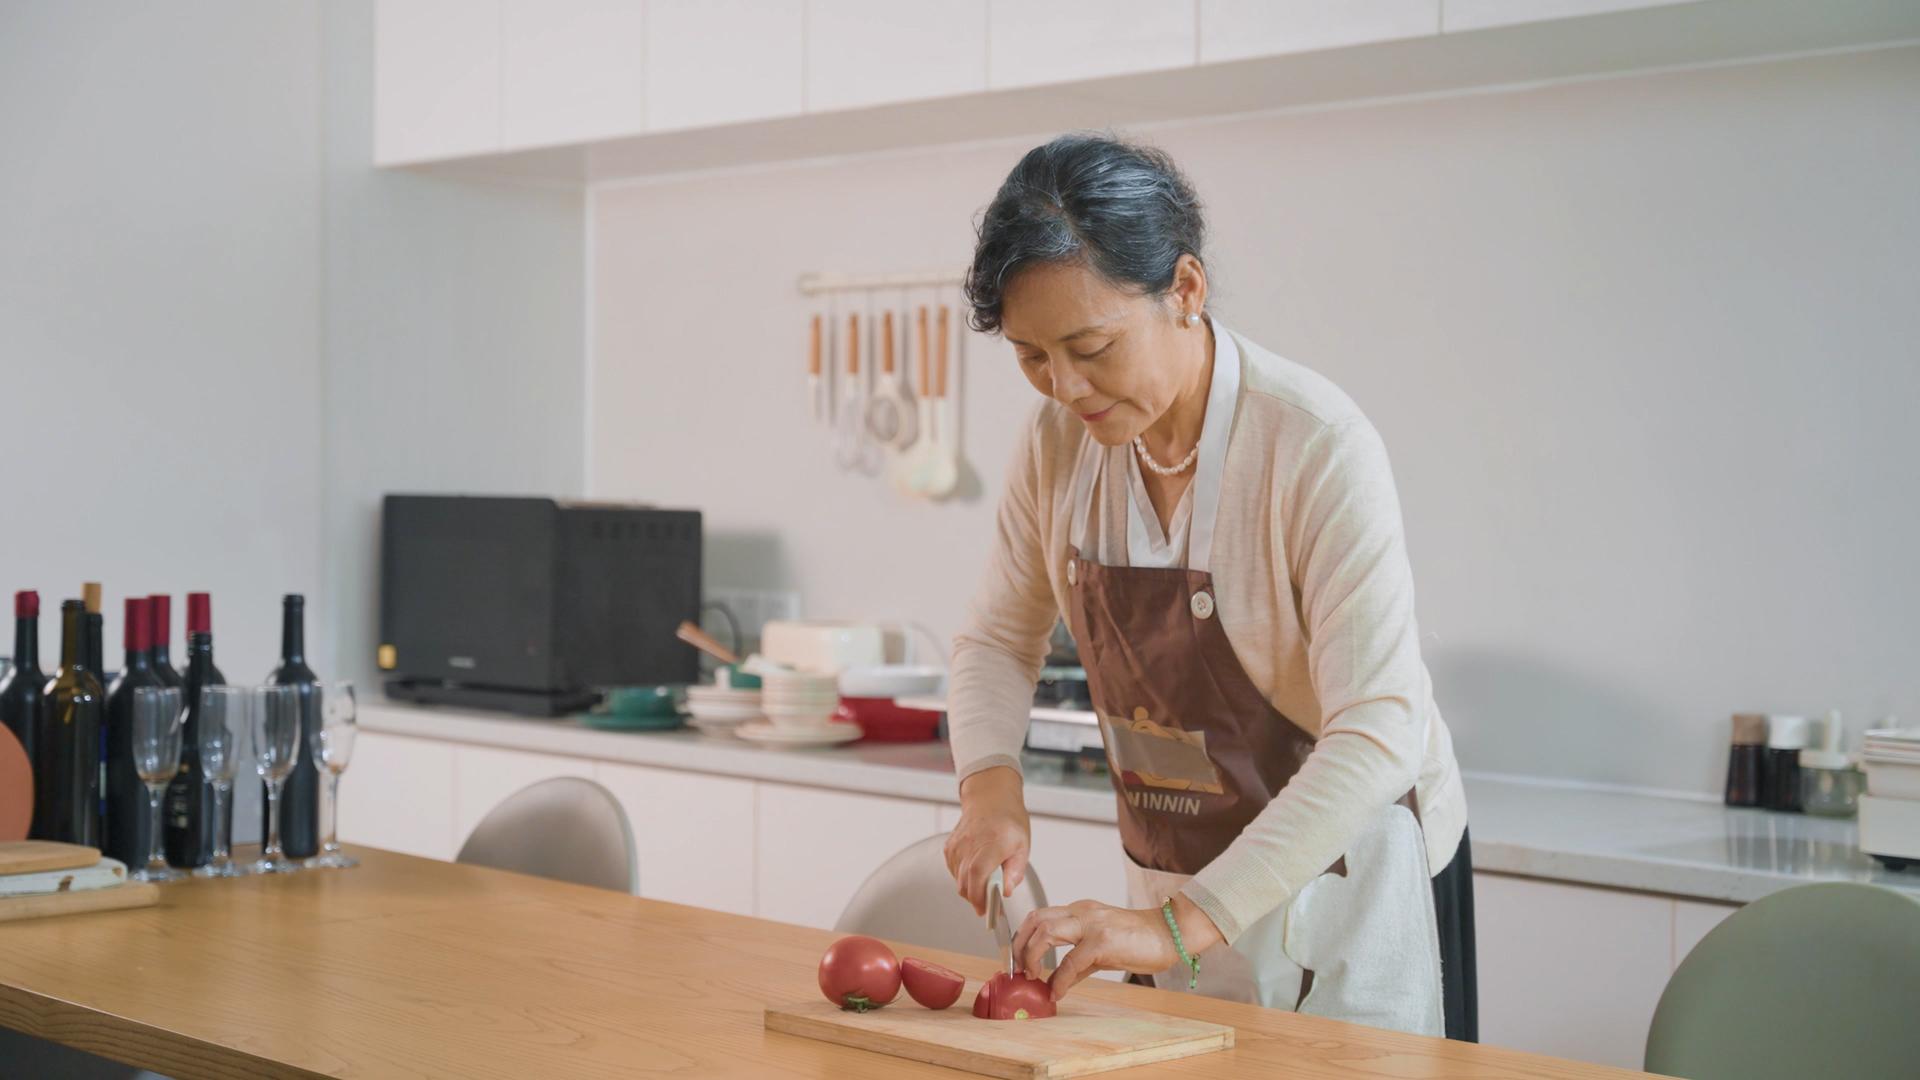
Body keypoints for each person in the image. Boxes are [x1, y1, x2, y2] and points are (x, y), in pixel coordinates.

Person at [942, 133, 1476, 1040]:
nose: (1064, 387)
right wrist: (988, 787)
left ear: (1184, 291)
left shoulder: (1315, 445)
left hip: (1352, 876)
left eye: (1091, 346)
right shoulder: (1058, 445)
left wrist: (1170, 928)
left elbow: (1377, 727)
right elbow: (998, 638)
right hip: (1175, 875)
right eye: (1033, 356)